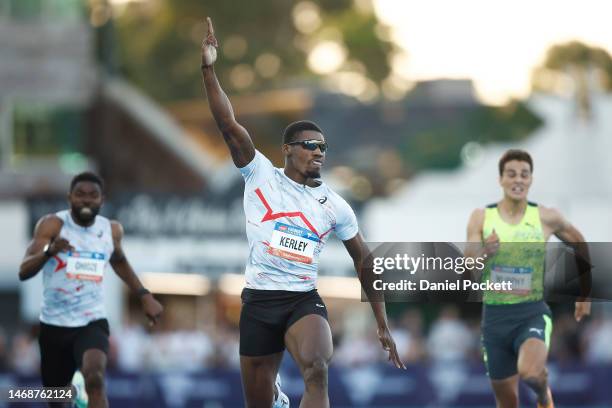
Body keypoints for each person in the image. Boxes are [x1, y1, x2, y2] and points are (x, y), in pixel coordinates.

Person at [201, 17, 405, 408]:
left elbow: (364, 259)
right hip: (259, 302)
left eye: (323, 147)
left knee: (317, 367)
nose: (318, 152)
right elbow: (227, 124)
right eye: (309, 144)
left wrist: (382, 322)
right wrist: (209, 69)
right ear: (287, 150)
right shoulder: (259, 173)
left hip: (302, 300)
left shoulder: (335, 205)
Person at [19, 172, 164, 408]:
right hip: (55, 324)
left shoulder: (111, 230)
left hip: (91, 321)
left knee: (95, 378)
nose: (86, 200)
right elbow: (24, 271)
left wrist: (144, 294)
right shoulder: (52, 225)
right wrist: (49, 252)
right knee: (57, 399)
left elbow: (119, 261)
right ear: (69, 198)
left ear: (102, 200)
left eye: (93, 195)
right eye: (80, 195)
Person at [465, 149, 591, 408]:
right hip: (495, 318)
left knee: (531, 373)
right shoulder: (481, 218)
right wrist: (486, 253)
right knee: (507, 402)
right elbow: (468, 267)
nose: (518, 180)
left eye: (524, 174)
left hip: (531, 311)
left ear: (531, 179)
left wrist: (584, 294)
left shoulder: (546, 217)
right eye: (511, 174)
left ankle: (543, 393)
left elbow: (579, 242)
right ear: (501, 179)